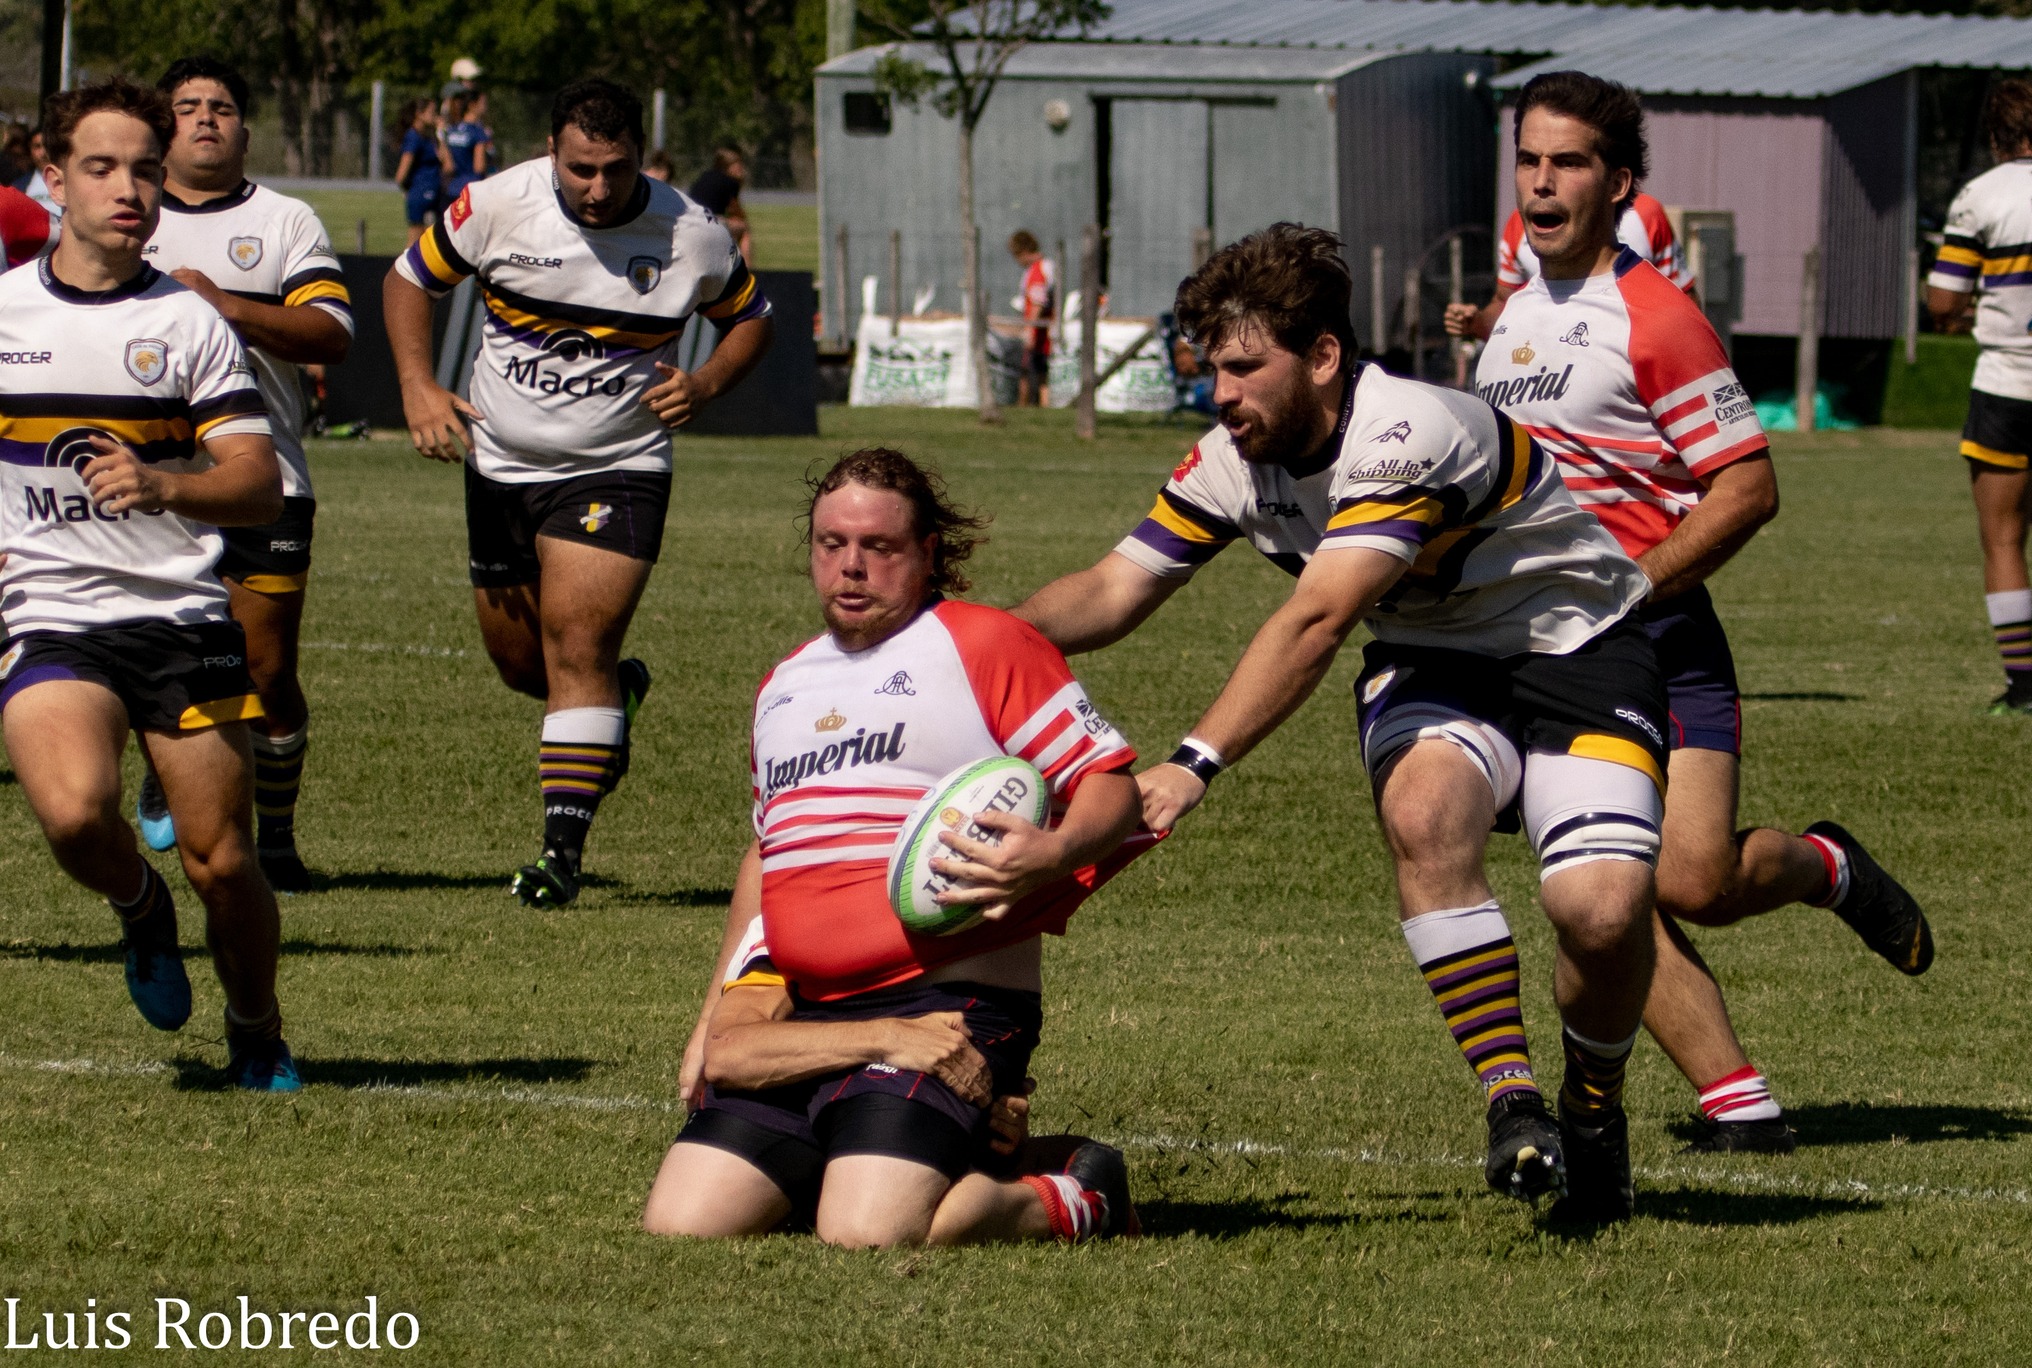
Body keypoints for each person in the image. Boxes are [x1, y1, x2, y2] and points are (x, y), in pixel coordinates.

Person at [1015, 223, 1675, 1224]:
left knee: (1598, 911)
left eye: (1243, 369)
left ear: (1322, 356)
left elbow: (1317, 617)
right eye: (1209, 370)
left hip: (1579, 647)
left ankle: (1592, 1108)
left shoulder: (1404, 431)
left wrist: (1193, 763)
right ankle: (1512, 1106)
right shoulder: (1233, 458)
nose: (1219, 394)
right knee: (1422, 815)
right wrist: (967, 635)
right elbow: (1112, 592)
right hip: (1436, 659)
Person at [1465, 72, 1933, 1154]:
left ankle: (1823, 865)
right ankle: (1736, 1101)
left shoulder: (1657, 319)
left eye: (1568, 162)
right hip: (1537, 652)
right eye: (1528, 160)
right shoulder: (1513, 318)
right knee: (1596, 878)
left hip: (1658, 636)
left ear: (1617, 183)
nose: (1541, 182)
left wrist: (1635, 582)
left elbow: (1747, 485)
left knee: (1691, 879)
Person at [643, 449, 1151, 1245]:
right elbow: (766, 858)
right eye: (830, 544)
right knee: (685, 1223)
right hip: (809, 1013)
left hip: (949, 1006)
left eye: (878, 547)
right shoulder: (784, 686)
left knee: (869, 1233)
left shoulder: (984, 643)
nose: (851, 566)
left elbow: (1110, 784)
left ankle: (1077, 1190)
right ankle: (877, 1143)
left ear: (927, 554)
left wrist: (1050, 855)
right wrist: (714, 1015)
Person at [386, 78, 774, 907]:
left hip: (618, 464)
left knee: (576, 643)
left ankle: (560, 855)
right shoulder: (495, 203)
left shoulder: (690, 234)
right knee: (525, 666)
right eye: (581, 169)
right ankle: (616, 697)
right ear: (551, 153)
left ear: (641, 154)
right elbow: (409, 279)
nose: (598, 189)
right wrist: (418, 384)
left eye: (617, 169)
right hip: (498, 462)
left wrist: (704, 384)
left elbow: (753, 316)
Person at [0, 78, 299, 1090]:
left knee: (222, 860)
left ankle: (256, 1031)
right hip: (51, 614)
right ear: (51, 179)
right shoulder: (3, 314)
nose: (129, 188)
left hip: (179, 615)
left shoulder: (190, 322)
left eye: (143, 168)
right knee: (77, 813)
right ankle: (138, 905)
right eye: (101, 167)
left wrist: (166, 482)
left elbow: (258, 484)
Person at [139, 56, 354, 893]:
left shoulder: (283, 218)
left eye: (221, 107)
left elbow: (331, 331)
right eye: (186, 107)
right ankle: (166, 765)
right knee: (152, 652)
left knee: (265, 670)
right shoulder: (128, 212)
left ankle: (277, 840)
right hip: (145, 481)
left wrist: (223, 302)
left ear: (245, 128)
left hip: (265, 477)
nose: (204, 119)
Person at [1928, 79, 2032, 716]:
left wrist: (1959, 309)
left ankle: (2023, 691)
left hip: (2012, 385)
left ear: (1999, 137)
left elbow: (1944, 300)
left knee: (2005, 540)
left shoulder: (1982, 195)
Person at [1447, 184, 1693, 345]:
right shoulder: (1520, 223)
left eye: (1567, 161)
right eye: (1530, 160)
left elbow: (1687, 303)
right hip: (1543, 371)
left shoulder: (1645, 213)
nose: (1544, 177)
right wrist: (1477, 322)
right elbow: (1504, 305)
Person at [1010, 230, 1056, 407]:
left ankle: (1025, 405)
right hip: (1041, 329)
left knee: (1030, 371)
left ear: (1023, 252)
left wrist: (1029, 328)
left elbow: (1037, 302)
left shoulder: (1038, 270)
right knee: (1040, 371)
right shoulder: (1045, 267)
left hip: (1040, 331)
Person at [393, 99, 442, 245]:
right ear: (419, 114)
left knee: (430, 243)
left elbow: (446, 163)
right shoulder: (413, 137)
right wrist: (411, 190)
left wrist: (440, 132)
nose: (435, 116)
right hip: (421, 193)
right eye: (432, 112)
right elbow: (401, 174)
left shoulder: (428, 137)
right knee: (416, 243)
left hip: (432, 193)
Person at [687, 148, 750, 263]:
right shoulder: (731, 182)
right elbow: (736, 212)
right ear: (728, 166)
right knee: (743, 229)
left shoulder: (704, 176)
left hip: (689, 221)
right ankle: (749, 273)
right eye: (738, 164)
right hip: (708, 221)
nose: (741, 168)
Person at [438, 92, 490, 206]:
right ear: (472, 105)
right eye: (483, 103)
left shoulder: (451, 130)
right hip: (472, 191)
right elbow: (479, 167)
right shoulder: (478, 132)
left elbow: (445, 163)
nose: (486, 107)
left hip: (451, 190)